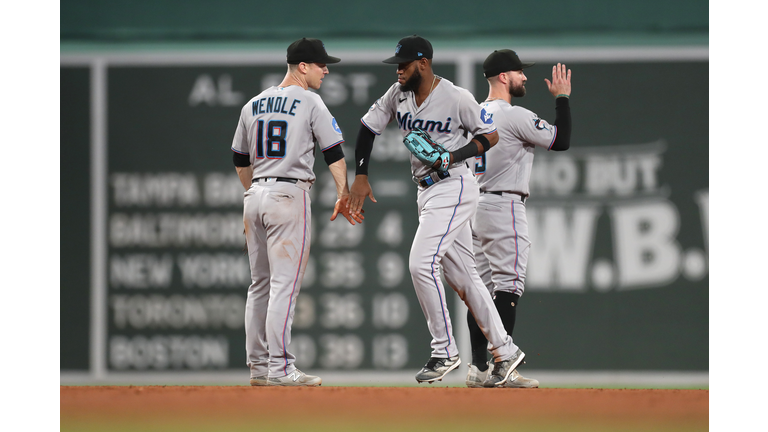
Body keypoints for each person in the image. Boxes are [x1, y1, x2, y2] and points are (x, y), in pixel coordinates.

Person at [349, 35, 525, 387]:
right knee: (465, 277)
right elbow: (368, 129)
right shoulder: (396, 94)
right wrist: (362, 175)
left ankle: (444, 349)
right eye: (397, 65)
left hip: (455, 184)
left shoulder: (456, 96)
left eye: (404, 64)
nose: (398, 70)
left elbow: (490, 136)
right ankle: (505, 351)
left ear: (424, 64)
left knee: (420, 262)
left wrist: (455, 155)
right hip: (426, 190)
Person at [231, 38, 362, 387]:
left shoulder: (253, 104)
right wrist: (343, 193)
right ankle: (280, 368)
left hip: (255, 193)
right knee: (283, 286)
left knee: (259, 284)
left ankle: (259, 367)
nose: (326, 70)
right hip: (289, 193)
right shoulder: (310, 100)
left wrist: (254, 191)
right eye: (321, 64)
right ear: (302, 67)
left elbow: (239, 159)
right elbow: (333, 152)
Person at [465, 49, 572, 388]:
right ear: (502, 77)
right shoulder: (512, 115)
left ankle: (479, 367)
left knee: (480, 291)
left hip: (472, 208)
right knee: (508, 287)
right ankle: (502, 367)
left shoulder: (472, 115)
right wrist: (563, 99)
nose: (524, 77)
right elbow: (561, 140)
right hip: (504, 206)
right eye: (518, 72)